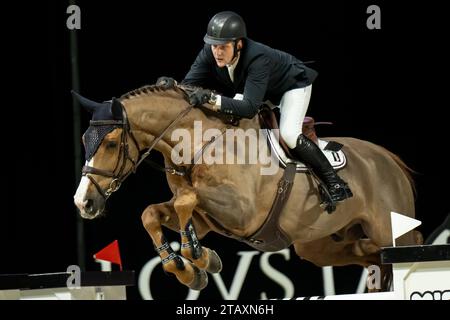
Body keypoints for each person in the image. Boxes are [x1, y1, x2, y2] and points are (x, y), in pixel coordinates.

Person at [157, 11, 352, 210]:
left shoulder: (258, 57)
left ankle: (335, 183)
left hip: (291, 86)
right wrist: (173, 87)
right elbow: (189, 84)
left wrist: (211, 98)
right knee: (231, 121)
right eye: (214, 45)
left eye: (223, 47)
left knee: (289, 134)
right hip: (260, 88)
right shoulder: (210, 50)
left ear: (238, 44)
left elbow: (249, 108)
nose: (217, 52)